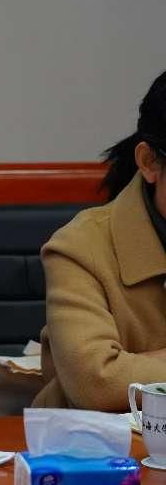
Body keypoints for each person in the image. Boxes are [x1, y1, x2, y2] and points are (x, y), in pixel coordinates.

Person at [34, 69, 166, 410]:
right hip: (100, 441)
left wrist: (140, 366)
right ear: (149, 162)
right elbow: (97, 382)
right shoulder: (80, 247)